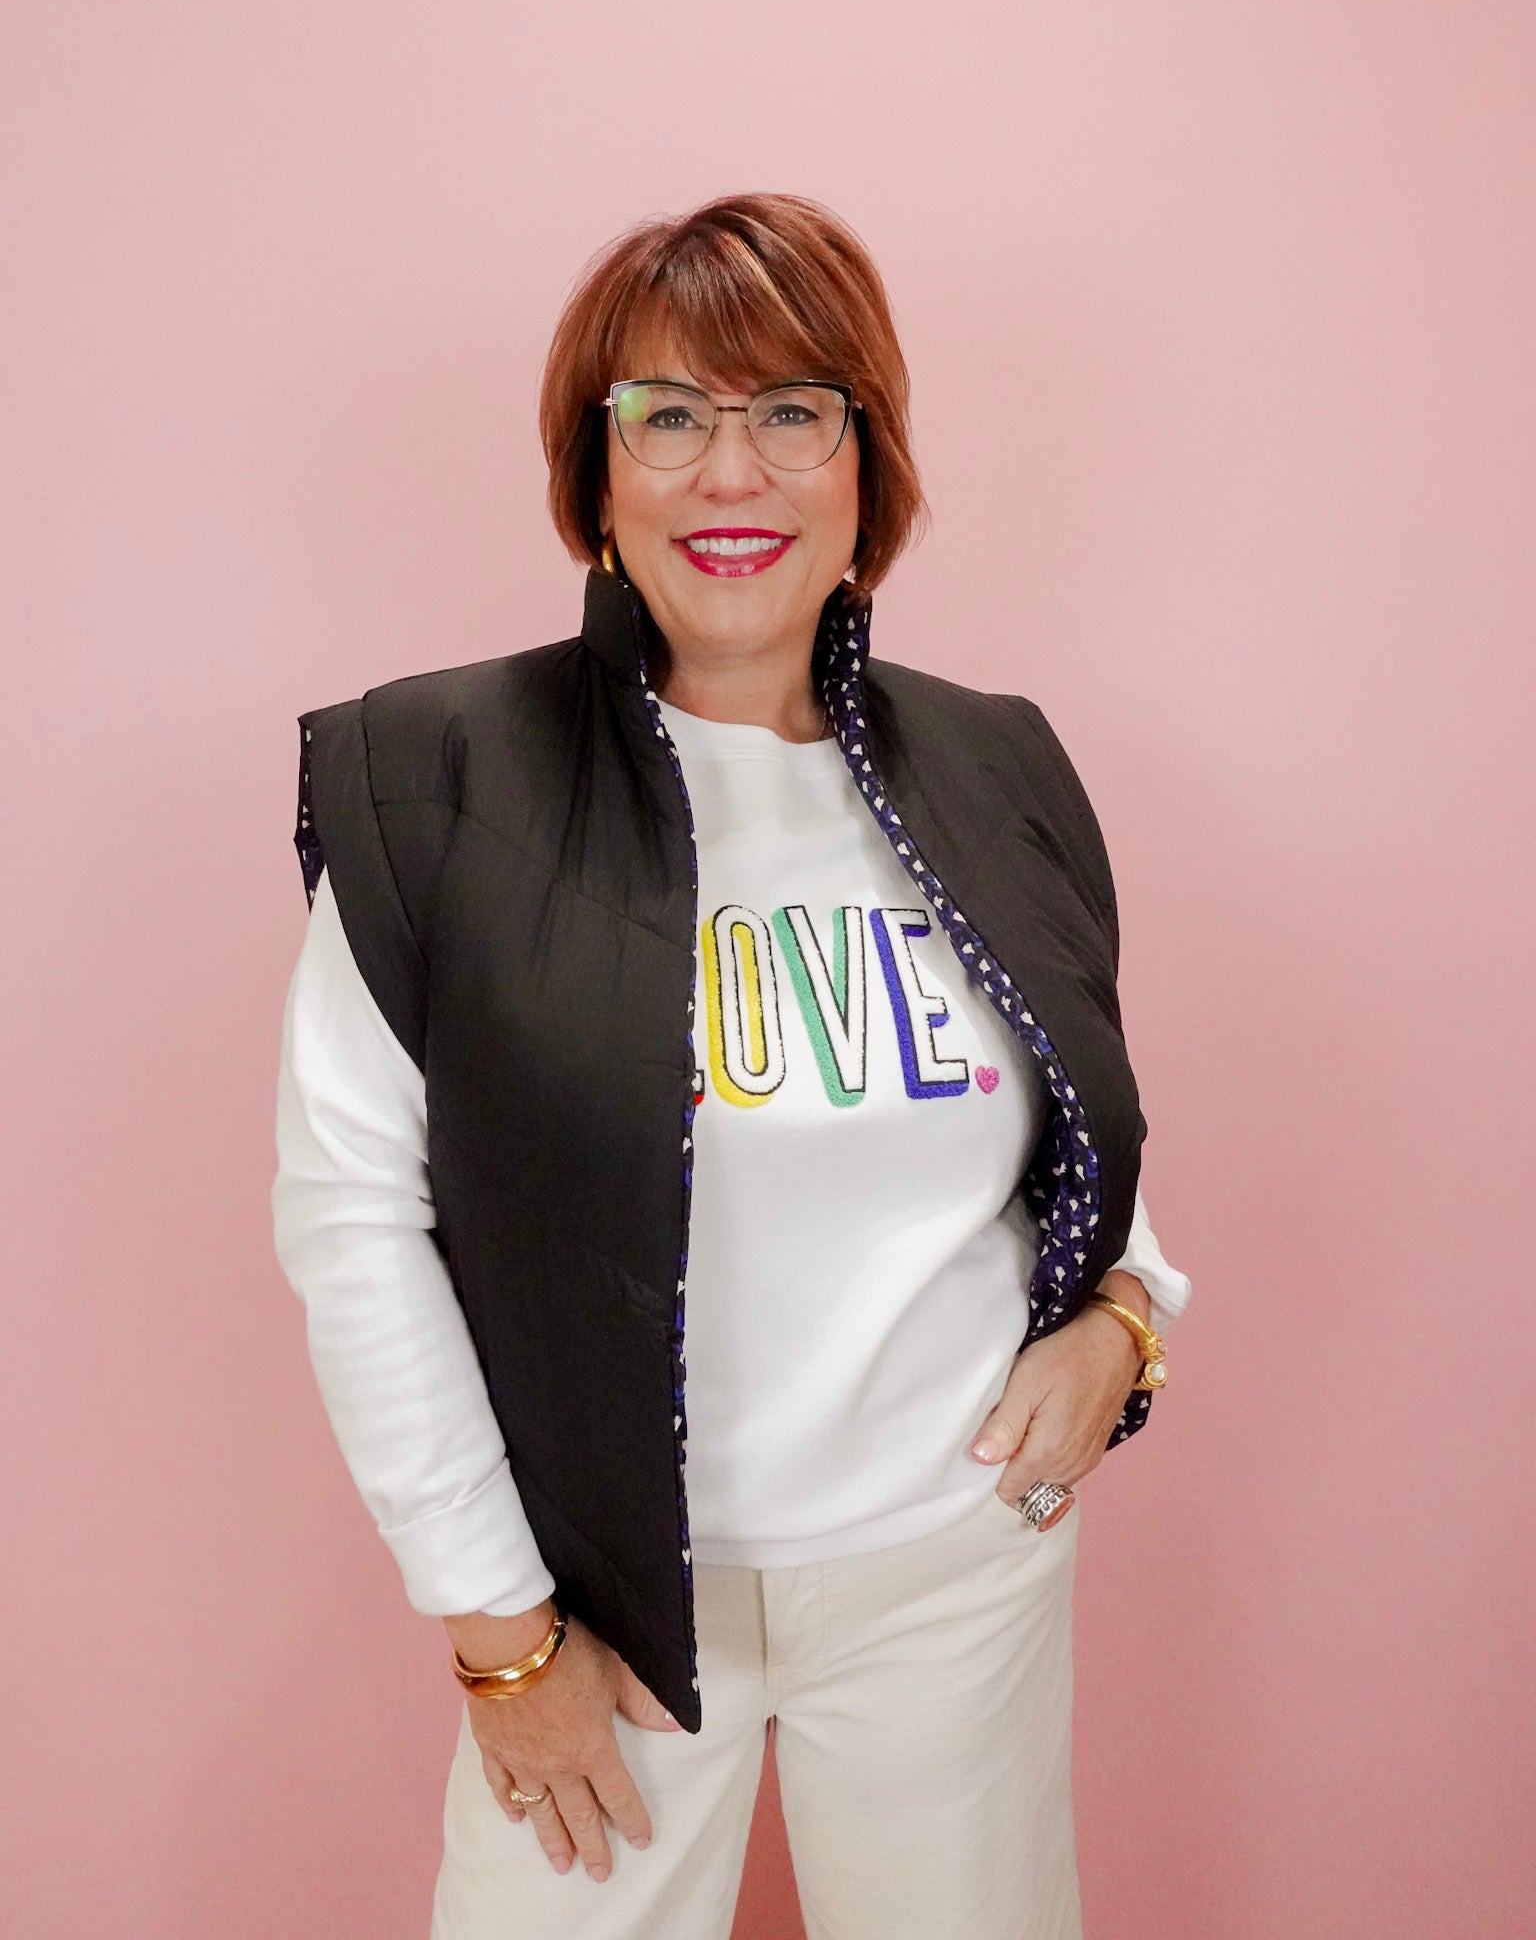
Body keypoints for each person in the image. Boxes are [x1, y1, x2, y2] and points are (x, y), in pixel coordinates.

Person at [271, 191, 1191, 1940]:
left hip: (953, 1570)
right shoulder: (439, 782)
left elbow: (1076, 1120)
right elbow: (350, 1222)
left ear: (867, 468)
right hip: (604, 1602)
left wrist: (1129, 1317)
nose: (730, 472)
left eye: (791, 412)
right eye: (668, 416)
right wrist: (498, 1633)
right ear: (595, 480)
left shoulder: (999, 767)